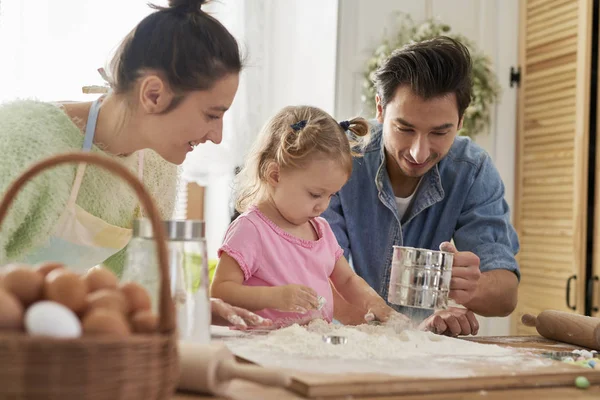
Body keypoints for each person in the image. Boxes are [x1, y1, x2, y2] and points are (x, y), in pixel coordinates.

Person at [0, 0, 270, 329]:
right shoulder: (24, 138)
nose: (216, 136)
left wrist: (181, 308)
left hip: (50, 344)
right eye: (211, 115)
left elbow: (139, 286)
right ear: (153, 94)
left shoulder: (156, 167)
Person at [322, 36, 519, 336]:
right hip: (341, 342)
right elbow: (317, 275)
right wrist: (405, 330)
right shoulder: (338, 156)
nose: (419, 152)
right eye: (405, 128)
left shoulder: (472, 170)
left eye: (440, 132)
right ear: (380, 109)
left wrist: (470, 287)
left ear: (461, 121)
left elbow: (506, 296)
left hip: (423, 352)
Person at [209, 106, 408, 327]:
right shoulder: (251, 229)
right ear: (274, 174)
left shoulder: (320, 230)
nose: (322, 206)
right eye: (315, 194)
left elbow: (347, 279)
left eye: (331, 195)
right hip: (260, 350)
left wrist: (374, 303)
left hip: (310, 349)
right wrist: (275, 297)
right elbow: (220, 291)